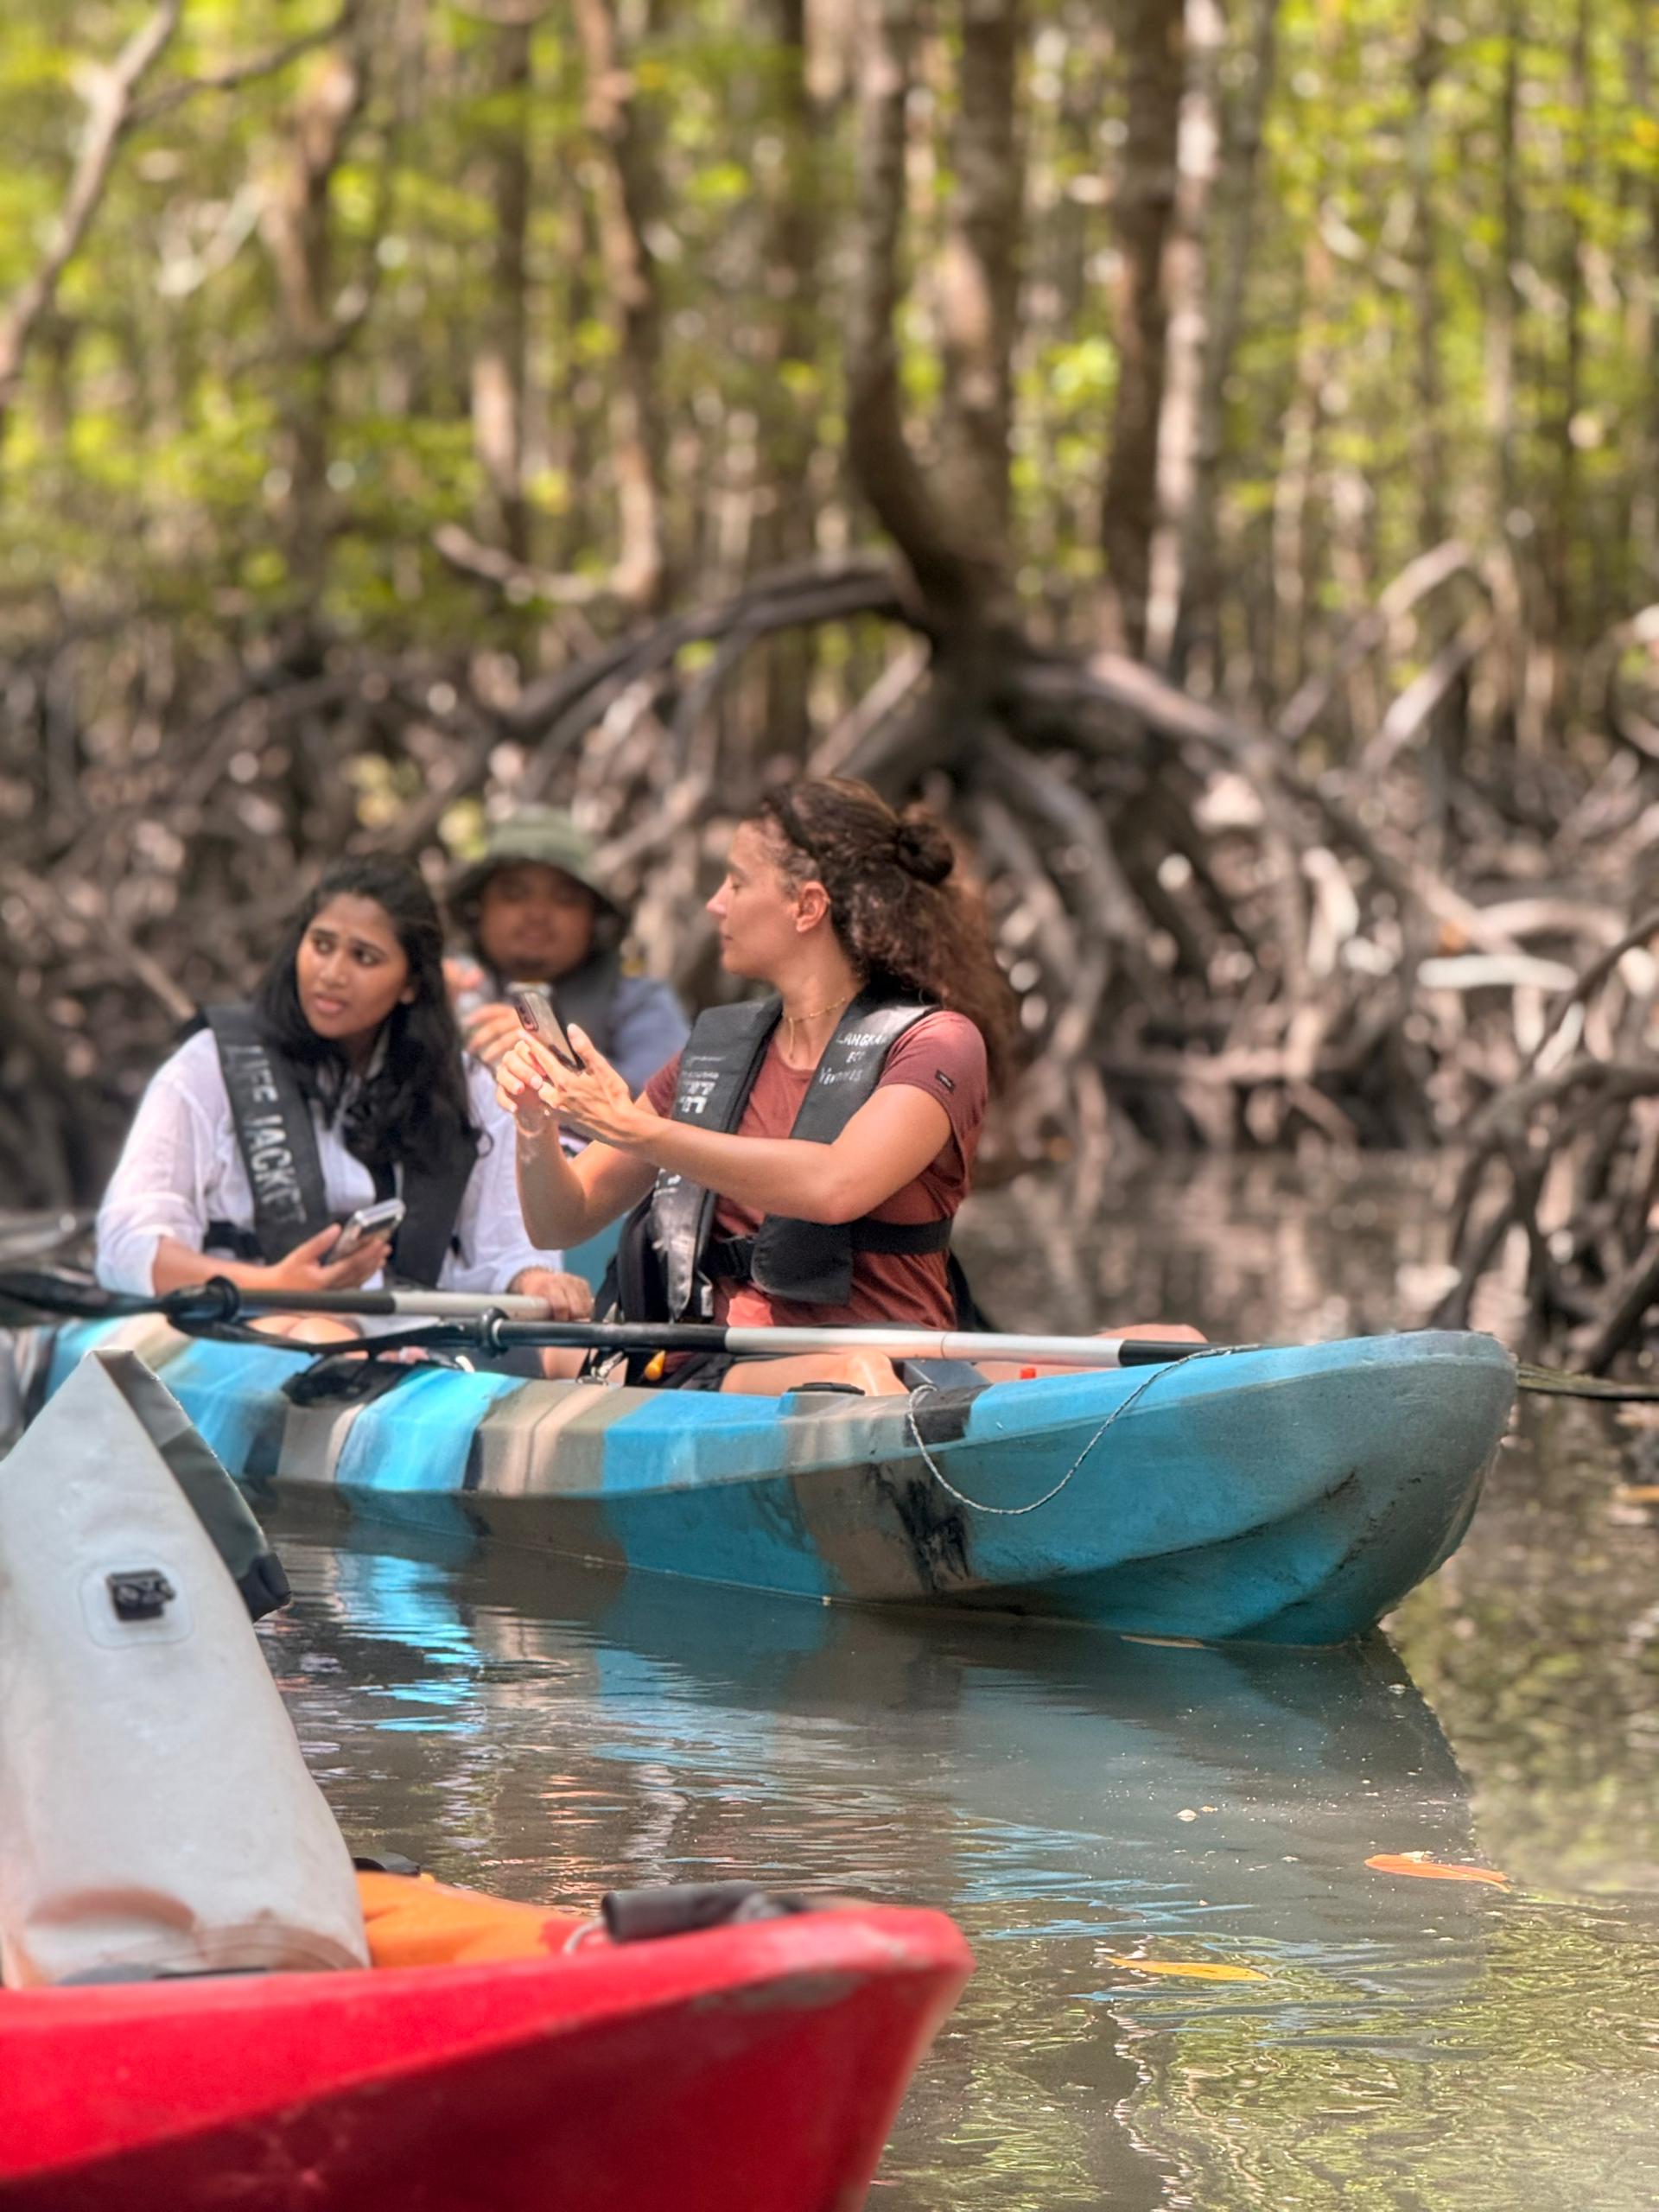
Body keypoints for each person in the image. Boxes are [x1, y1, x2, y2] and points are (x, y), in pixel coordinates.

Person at [495, 778, 1020, 1396]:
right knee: (841, 1376)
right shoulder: (712, 1051)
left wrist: (633, 1126)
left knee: (852, 1375)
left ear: (807, 906)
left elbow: (835, 1186)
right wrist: (535, 1124)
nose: (716, 904)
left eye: (738, 883)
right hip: (714, 1376)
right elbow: (563, 1220)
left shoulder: (936, 1043)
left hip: (891, 1378)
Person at [96, 855, 591, 1345]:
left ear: (411, 984)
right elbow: (128, 1248)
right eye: (322, 945)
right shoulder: (209, 1065)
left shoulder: (464, 1084)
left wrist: (536, 1282)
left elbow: (507, 1252)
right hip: (249, 1330)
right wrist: (280, 1285)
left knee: (575, 1353)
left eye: (364, 957)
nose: (331, 973)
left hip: (419, 1338)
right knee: (323, 1333)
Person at [445, 809, 689, 1091]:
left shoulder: (640, 1002)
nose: (537, 913)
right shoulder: (441, 984)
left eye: (565, 899)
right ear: (480, 908)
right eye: (514, 894)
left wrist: (552, 1060)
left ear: (593, 920)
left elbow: (669, 1102)